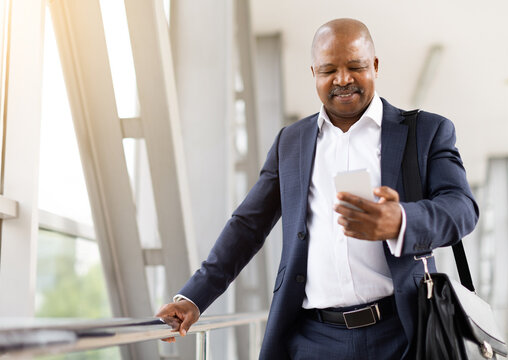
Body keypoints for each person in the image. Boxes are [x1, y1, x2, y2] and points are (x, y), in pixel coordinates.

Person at [156, 18, 478, 359]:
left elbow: (461, 207)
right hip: (313, 339)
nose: (342, 79)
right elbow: (248, 225)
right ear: (313, 73)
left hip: (402, 334)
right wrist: (193, 297)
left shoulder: (425, 131)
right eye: (328, 70)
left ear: (376, 66)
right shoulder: (290, 142)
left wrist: (400, 220)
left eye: (355, 66)